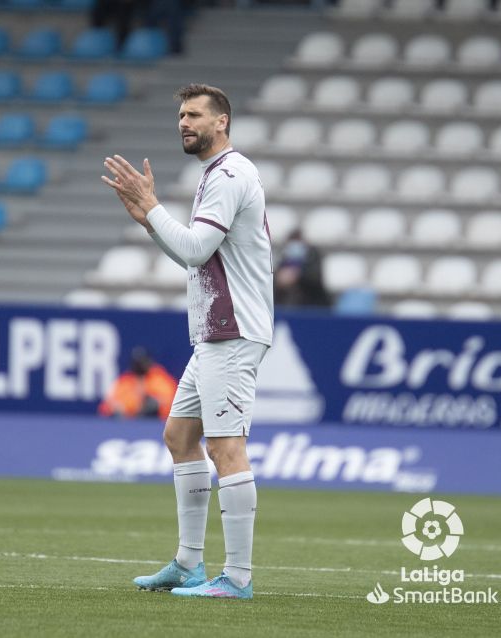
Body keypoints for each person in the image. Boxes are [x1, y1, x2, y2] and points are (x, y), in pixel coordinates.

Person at [102, 84, 273, 599]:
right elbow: (195, 252)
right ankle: (188, 564)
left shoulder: (228, 174)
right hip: (215, 333)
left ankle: (237, 578)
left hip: (234, 329)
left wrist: (153, 209)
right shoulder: (215, 174)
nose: (184, 122)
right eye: (180, 114)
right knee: (179, 437)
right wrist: (151, 222)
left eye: (195, 114)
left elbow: (197, 250)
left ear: (222, 122)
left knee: (225, 446)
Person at [98, 347, 177, 420]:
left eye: (143, 362)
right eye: (137, 363)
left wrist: (155, 403)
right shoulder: (124, 381)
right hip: (128, 426)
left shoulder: (159, 378)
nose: (141, 366)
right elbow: (107, 406)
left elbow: (173, 402)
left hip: (157, 425)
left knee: (151, 405)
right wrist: (118, 408)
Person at [274, 228, 331, 307]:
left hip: (313, 306)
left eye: (298, 241)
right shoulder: (284, 259)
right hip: (288, 307)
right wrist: (279, 279)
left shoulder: (313, 256)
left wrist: (297, 275)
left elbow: (315, 278)